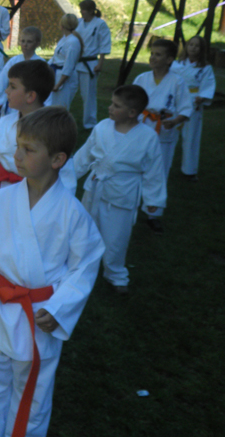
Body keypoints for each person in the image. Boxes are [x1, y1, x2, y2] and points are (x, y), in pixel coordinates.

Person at [0, 106, 104, 437]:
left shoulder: (73, 214)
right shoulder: (1, 199)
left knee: (32, 393)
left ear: (57, 159)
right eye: (18, 146)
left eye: (28, 149)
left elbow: (84, 265)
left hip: (38, 315)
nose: (16, 155)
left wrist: (59, 309)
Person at [74, 85, 166, 294]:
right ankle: (80, 267)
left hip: (122, 193)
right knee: (85, 230)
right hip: (95, 188)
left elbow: (154, 171)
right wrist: (67, 176)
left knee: (116, 238)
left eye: (116, 106)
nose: (110, 108)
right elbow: (84, 156)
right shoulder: (102, 127)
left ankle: (115, 273)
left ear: (132, 112)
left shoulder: (148, 137)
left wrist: (153, 199)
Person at [0, 60, 77, 208]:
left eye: (12, 86)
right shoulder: (5, 123)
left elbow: (65, 174)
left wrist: (58, 207)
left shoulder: (53, 130)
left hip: (33, 198)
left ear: (30, 96)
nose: (6, 91)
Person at [132, 38, 193, 234]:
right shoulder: (141, 79)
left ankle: (154, 214)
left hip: (164, 132)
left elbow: (186, 108)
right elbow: (130, 103)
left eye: (158, 55)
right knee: (135, 168)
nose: (153, 58)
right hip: (141, 130)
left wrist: (175, 121)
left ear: (169, 60)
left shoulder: (177, 82)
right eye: (152, 54)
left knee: (160, 172)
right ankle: (131, 205)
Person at [172, 35, 216, 181]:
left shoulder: (205, 68)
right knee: (168, 133)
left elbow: (208, 85)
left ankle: (189, 170)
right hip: (175, 101)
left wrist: (202, 97)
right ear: (186, 47)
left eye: (197, 46)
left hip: (193, 102)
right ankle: (160, 163)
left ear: (202, 49)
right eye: (191, 44)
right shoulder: (176, 64)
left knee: (191, 137)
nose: (193, 48)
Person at [0, 26, 44, 116]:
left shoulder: (40, 64)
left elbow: (44, 87)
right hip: (13, 101)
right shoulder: (14, 61)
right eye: (23, 41)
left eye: (29, 41)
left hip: (30, 101)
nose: (25, 44)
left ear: (37, 44)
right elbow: (2, 80)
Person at [75, 0, 111, 129]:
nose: (81, 12)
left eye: (84, 10)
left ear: (91, 11)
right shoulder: (78, 22)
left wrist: (100, 63)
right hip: (75, 62)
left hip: (90, 63)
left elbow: (104, 44)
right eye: (81, 9)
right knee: (67, 91)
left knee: (88, 95)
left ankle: (90, 123)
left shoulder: (100, 24)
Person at [48, 14, 83, 110]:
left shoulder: (72, 42)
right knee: (52, 106)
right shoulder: (65, 38)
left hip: (65, 80)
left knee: (61, 107)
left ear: (62, 25)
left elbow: (69, 66)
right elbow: (56, 57)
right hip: (57, 74)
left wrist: (58, 84)